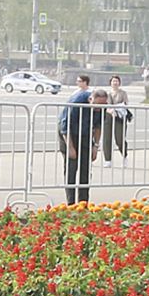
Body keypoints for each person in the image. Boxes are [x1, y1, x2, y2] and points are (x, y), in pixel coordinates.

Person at [58, 75, 101, 204]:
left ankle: (83, 203)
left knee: (86, 169)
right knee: (71, 167)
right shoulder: (77, 101)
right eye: (97, 105)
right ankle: (70, 203)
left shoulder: (102, 106)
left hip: (86, 135)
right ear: (91, 99)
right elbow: (65, 125)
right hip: (69, 134)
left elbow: (98, 127)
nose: (99, 108)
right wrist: (70, 148)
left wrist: (95, 146)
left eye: (102, 106)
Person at [102, 74, 131, 161]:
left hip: (120, 116)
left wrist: (117, 108)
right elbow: (107, 105)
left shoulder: (123, 93)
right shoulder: (108, 94)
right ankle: (107, 159)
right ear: (110, 83)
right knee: (107, 138)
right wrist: (110, 110)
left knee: (120, 138)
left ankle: (124, 155)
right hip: (109, 116)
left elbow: (125, 103)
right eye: (113, 81)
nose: (115, 83)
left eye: (117, 81)